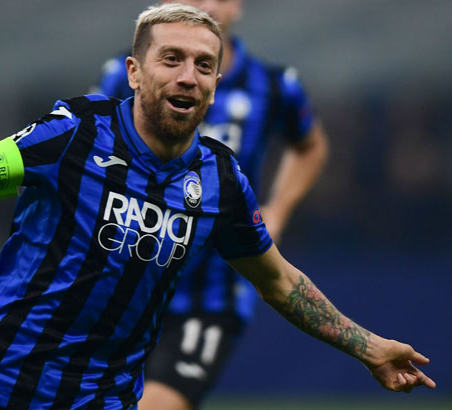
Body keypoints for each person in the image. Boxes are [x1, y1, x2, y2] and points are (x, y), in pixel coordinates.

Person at [0, 4, 434, 410]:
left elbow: (278, 280)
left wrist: (368, 346)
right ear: (135, 70)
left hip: (98, 402)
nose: (186, 74)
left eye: (202, 63)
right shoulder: (73, 134)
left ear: (217, 82)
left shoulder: (221, 180)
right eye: (170, 59)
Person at [95, 1, 329, 408]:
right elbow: (92, 139)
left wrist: (277, 210)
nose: (205, 6)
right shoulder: (127, 73)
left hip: (210, 294)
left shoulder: (274, 86)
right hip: (128, 276)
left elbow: (310, 146)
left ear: (237, 5)